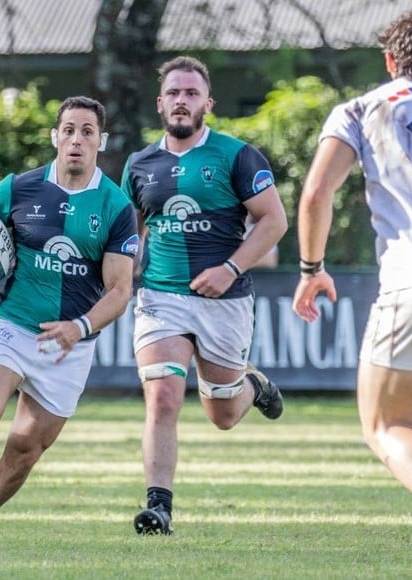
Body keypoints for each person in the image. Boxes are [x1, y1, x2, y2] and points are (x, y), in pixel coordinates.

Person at [292, 9, 412, 578]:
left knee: (385, 425)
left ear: (389, 59)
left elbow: (316, 194)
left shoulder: (364, 108)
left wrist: (311, 268)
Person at [0, 96, 139, 550]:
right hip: (12, 325)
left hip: (70, 345)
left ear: (101, 141)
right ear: (54, 137)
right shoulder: (17, 188)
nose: (76, 140)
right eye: (68, 130)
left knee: (26, 450)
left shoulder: (116, 206)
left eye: (87, 131)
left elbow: (120, 291)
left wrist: (79, 327)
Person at [121, 56, 288, 536]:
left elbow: (274, 221)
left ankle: (252, 385)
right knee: (163, 397)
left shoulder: (237, 156)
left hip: (225, 301)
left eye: (191, 93)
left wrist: (230, 268)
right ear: (160, 103)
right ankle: (159, 507)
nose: (182, 101)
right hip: (160, 298)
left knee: (223, 415)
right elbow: (127, 236)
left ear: (207, 104)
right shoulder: (139, 165)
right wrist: (115, 281)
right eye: (174, 93)